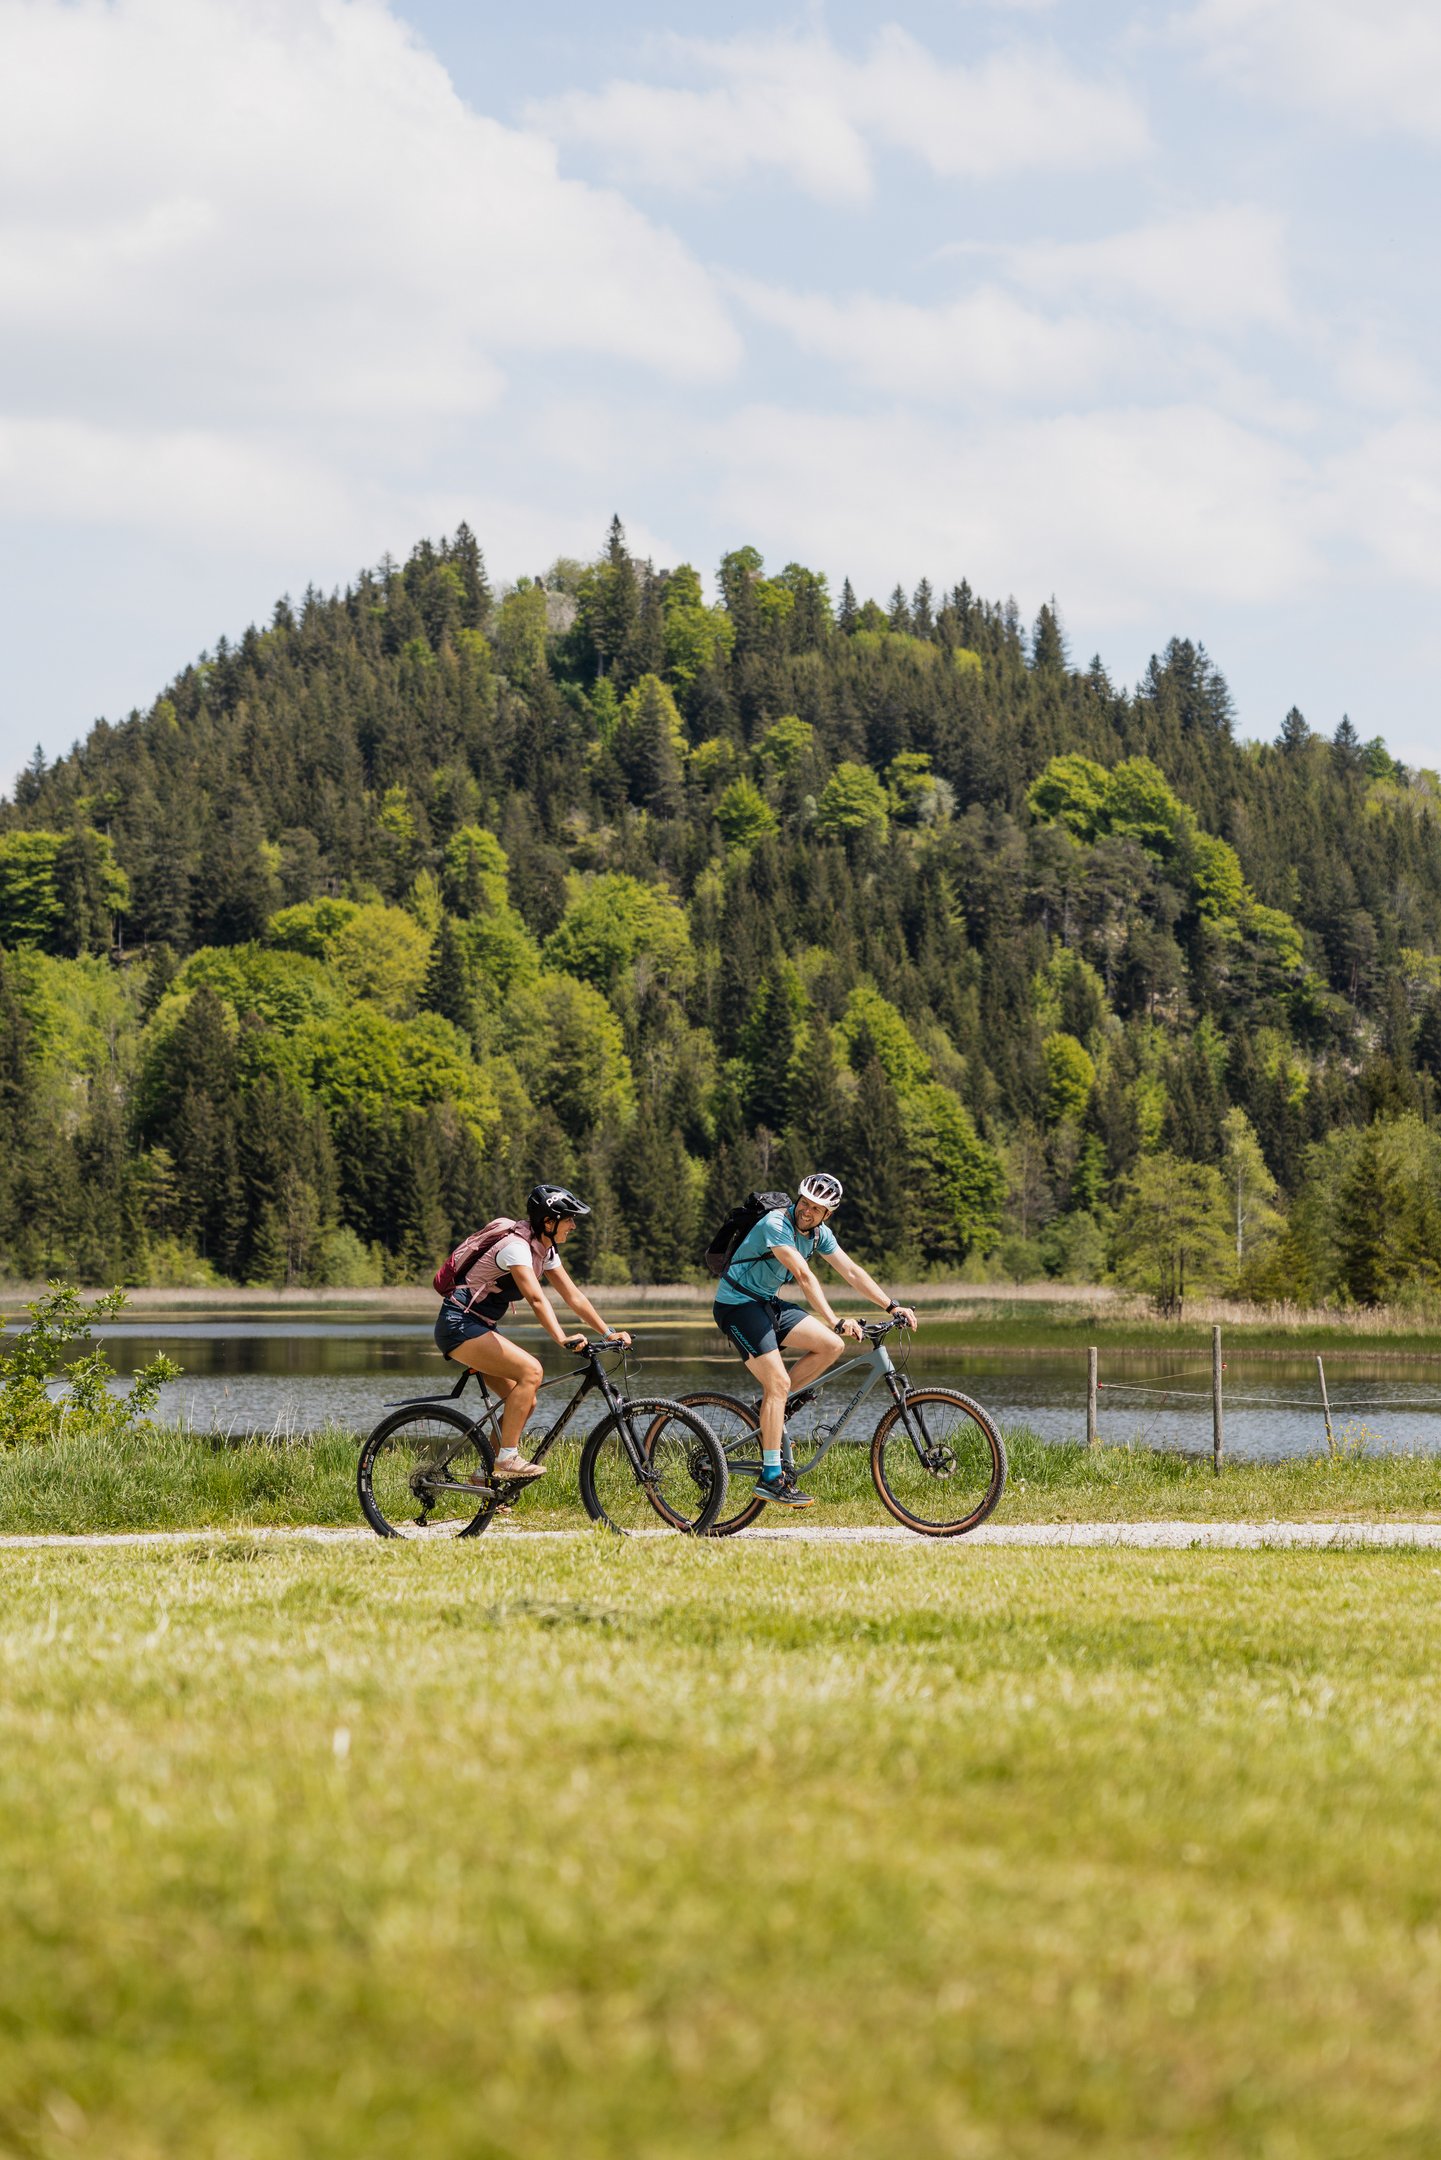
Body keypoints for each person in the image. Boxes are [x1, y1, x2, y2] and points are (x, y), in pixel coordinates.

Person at [712, 1172, 916, 1508]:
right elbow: (805, 1276)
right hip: (737, 1305)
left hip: (767, 1303)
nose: (807, 1210)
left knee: (830, 1346)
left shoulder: (820, 1234)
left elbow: (850, 1271)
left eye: (816, 1207)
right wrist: (835, 1320)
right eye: (804, 1202)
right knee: (778, 1382)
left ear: (827, 1214)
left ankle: (769, 1409)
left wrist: (891, 1305)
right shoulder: (776, 1224)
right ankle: (771, 1477)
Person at [434, 1183, 630, 1482]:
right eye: (569, 1219)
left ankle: (483, 1474)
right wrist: (562, 1338)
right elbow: (537, 1299)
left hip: (480, 1326)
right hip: (458, 1325)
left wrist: (608, 1332)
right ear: (548, 1222)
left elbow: (573, 1296)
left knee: (525, 1399)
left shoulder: (544, 1249)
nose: (574, 1225)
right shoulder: (516, 1248)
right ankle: (507, 1458)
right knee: (532, 1372)